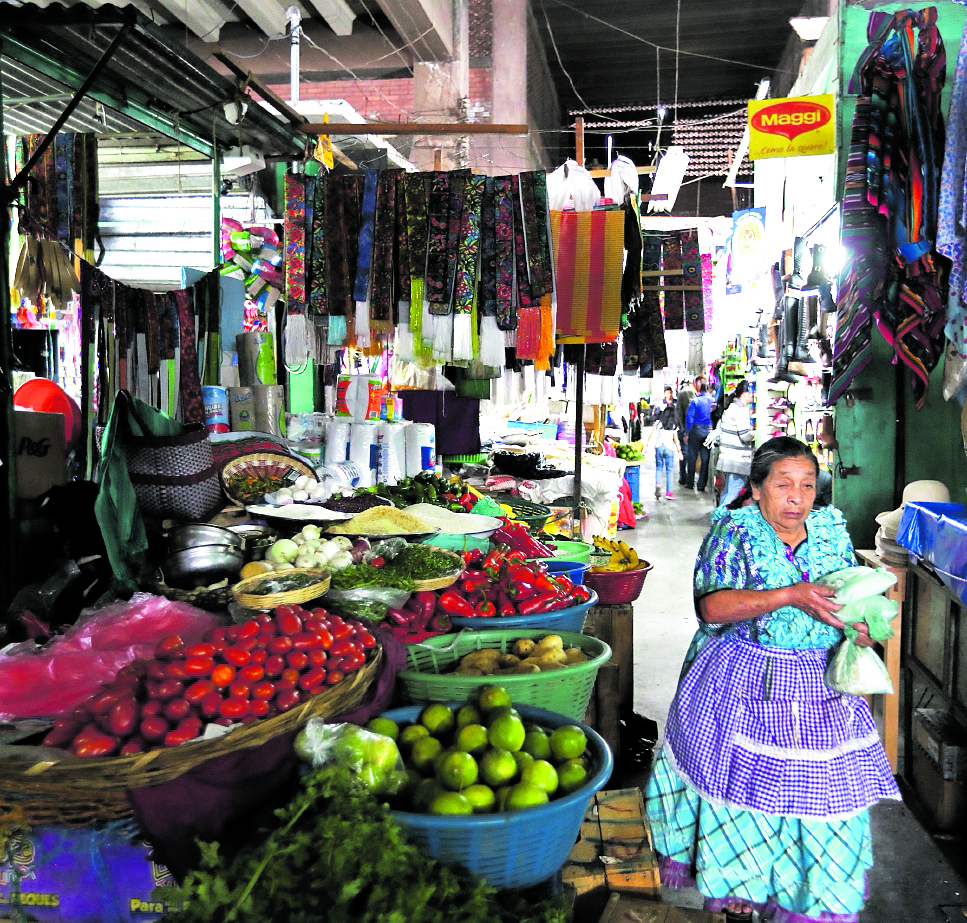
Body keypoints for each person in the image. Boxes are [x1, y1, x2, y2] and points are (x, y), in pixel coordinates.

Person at [645, 437, 899, 923]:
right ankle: (744, 891)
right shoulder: (733, 530)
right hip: (743, 678)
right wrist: (789, 595)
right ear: (757, 489)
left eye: (807, 485)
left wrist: (862, 629)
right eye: (783, 485)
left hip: (818, 683)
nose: (797, 497)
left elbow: (847, 597)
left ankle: (807, 895)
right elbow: (711, 608)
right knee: (748, 791)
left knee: (822, 796)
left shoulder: (830, 531)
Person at [716, 380, 755, 507]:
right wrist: (755, 434)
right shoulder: (741, 410)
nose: (753, 397)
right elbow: (744, 436)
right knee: (733, 493)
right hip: (736, 459)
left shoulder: (731, 407)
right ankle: (722, 519)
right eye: (751, 394)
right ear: (744, 394)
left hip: (728, 457)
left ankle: (719, 518)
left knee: (729, 491)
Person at [645, 386, 683, 500]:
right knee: (670, 470)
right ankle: (669, 493)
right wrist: (679, 451)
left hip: (659, 447)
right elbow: (676, 439)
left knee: (659, 468)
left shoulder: (658, 423)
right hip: (669, 448)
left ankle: (657, 484)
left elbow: (651, 435)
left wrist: (646, 447)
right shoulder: (674, 425)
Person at [684, 378, 713, 492]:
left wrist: (687, 433)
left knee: (692, 457)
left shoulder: (695, 401)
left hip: (695, 430)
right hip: (708, 431)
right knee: (705, 459)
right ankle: (701, 484)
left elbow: (689, 418)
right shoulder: (712, 401)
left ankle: (690, 482)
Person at [675, 378, 697, 485]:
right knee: (687, 454)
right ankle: (687, 479)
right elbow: (690, 412)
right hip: (685, 428)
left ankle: (683, 477)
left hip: (682, 427)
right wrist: (688, 430)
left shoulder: (683, 391)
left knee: (684, 454)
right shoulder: (688, 391)